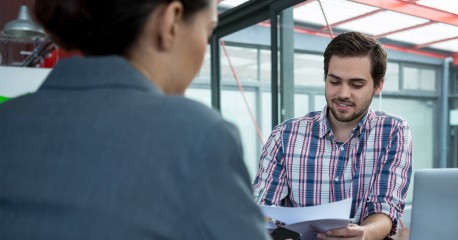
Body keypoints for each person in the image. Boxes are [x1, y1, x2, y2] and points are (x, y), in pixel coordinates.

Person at [0, 0, 269, 239]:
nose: (204, 53)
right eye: (208, 31)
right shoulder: (196, 133)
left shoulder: (7, 121)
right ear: (171, 21)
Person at [253, 32, 413, 240]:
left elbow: (385, 207)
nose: (343, 93)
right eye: (334, 81)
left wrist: (364, 233)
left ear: (378, 85)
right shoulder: (285, 135)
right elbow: (263, 205)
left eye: (356, 84)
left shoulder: (394, 131)